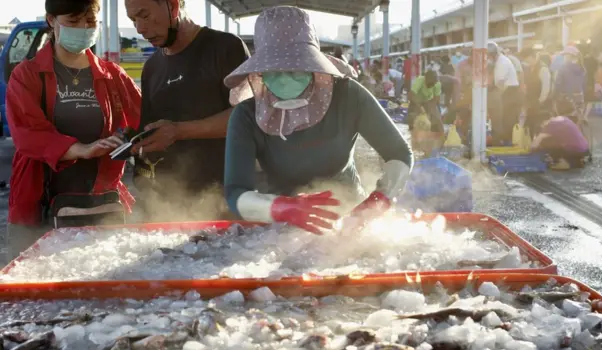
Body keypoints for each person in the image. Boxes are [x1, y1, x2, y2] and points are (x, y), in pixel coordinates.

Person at [223, 6, 413, 235]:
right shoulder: (246, 116)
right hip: (280, 221)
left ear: (314, 66)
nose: (285, 78)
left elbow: (399, 153)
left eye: (296, 68)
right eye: (274, 70)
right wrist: (282, 208)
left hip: (350, 215)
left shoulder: (348, 96)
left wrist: (376, 202)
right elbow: (235, 192)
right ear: (260, 71)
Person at [2, 0, 141, 264]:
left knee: (102, 282)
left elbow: (143, 120)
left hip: (101, 202)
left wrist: (133, 140)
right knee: (33, 290)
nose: (83, 28)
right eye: (73, 22)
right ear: (52, 21)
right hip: (38, 205)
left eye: (90, 22)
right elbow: (27, 133)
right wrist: (81, 149)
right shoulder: (27, 75)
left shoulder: (113, 76)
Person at [124, 0, 250, 221]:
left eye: (144, 15)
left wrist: (179, 131)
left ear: (173, 6)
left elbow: (249, 117)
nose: (140, 29)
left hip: (223, 200)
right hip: (170, 205)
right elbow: (150, 129)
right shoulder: (152, 67)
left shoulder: (226, 48)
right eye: (133, 20)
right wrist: (131, 141)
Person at [488, 42, 521, 145]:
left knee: (507, 120)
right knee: (502, 119)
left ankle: (506, 144)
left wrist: (495, 96)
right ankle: (502, 141)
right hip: (505, 91)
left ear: (493, 54)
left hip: (509, 92)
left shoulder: (502, 62)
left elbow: (499, 82)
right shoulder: (498, 61)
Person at [521, 48, 552, 134]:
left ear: (531, 57)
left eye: (526, 60)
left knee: (539, 129)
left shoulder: (543, 68)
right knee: (528, 128)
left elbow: (546, 88)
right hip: (531, 104)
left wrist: (539, 101)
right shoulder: (529, 68)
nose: (526, 62)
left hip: (541, 106)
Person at [553, 45, 586, 124]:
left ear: (569, 56)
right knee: (577, 121)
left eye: (564, 56)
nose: (564, 58)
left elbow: (558, 84)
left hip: (566, 99)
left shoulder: (563, 68)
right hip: (579, 98)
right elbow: (584, 85)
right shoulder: (582, 68)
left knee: (565, 123)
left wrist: (554, 98)